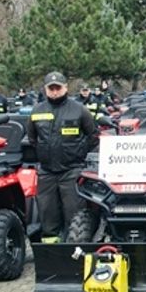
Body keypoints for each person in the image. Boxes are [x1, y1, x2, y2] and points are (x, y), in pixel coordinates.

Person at [27, 72, 98, 242]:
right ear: (45, 90)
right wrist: (44, 153)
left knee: (74, 212)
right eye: (51, 88)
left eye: (58, 87)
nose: (54, 91)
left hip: (72, 170)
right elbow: (31, 138)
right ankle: (51, 250)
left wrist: (79, 153)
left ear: (65, 87)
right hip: (46, 172)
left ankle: (73, 248)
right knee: (47, 212)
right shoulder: (36, 111)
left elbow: (93, 136)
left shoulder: (79, 110)